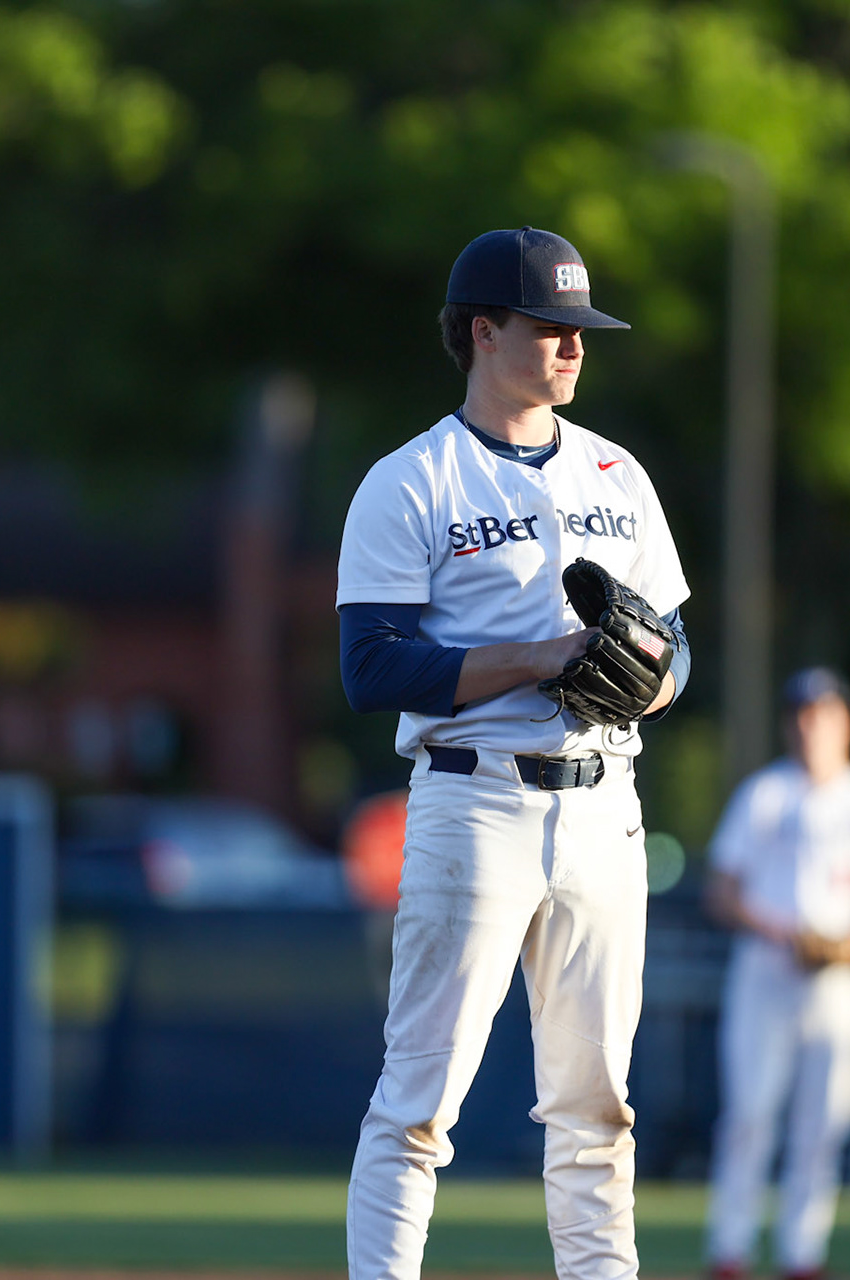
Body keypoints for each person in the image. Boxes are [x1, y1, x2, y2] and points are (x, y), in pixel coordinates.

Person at [336, 226, 691, 1280]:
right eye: (551, 326)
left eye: (582, 328)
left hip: (602, 806)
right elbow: (373, 667)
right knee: (419, 1103)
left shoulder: (617, 473)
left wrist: (650, 678)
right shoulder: (412, 480)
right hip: (473, 802)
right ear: (484, 333)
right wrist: (542, 655)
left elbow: (677, 650)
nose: (575, 346)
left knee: (597, 1109)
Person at [702, 668, 850, 1280]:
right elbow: (724, 891)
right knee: (748, 1115)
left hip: (837, 982)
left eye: (822, 713)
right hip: (767, 972)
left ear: (847, 723)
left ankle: (802, 1255)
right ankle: (731, 1251)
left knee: (823, 1126)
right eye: (800, 713)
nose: (809, 724)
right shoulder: (765, 794)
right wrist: (785, 934)